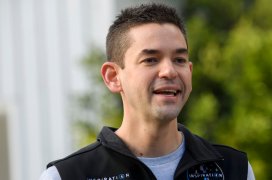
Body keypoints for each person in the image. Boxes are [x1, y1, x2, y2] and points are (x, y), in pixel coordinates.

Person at [40, 3, 255, 180]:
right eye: (150, 60)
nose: (169, 71)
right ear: (113, 77)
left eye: (179, 60)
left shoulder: (234, 169)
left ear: (189, 71)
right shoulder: (65, 176)